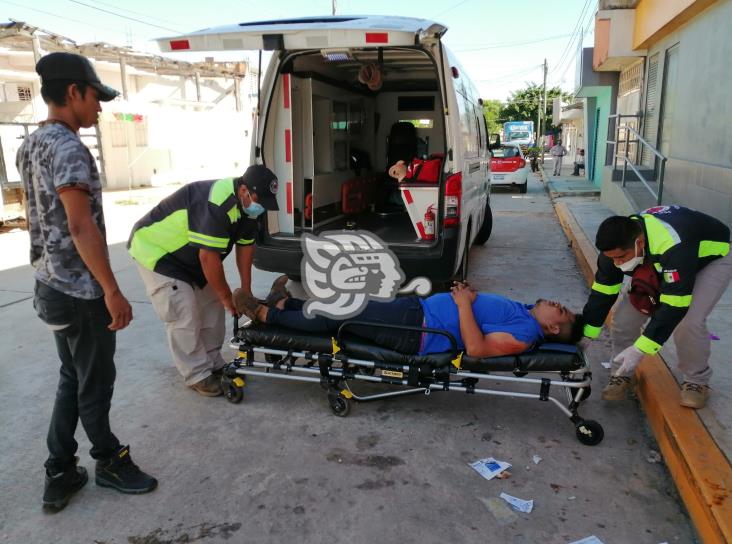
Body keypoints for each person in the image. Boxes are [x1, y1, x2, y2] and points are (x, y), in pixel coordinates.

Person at [18, 52, 157, 513]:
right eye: (96, 96)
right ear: (74, 92)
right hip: (79, 291)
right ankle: (110, 461)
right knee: (94, 383)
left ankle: (60, 471)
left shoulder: (31, 144)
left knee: (70, 378)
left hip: (49, 286)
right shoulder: (69, 148)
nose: (100, 108)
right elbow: (81, 227)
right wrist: (111, 291)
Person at [127, 165, 280, 397]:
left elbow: (246, 248)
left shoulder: (250, 209)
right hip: (158, 251)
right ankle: (197, 374)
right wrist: (228, 297)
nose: (262, 207)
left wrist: (245, 291)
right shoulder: (217, 203)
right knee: (183, 309)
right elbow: (208, 258)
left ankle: (212, 361)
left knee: (212, 306)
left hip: (191, 255)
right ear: (243, 190)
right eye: (260, 200)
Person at [581, 206, 732, 408]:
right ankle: (622, 374)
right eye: (612, 258)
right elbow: (603, 292)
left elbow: (675, 305)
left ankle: (697, 381)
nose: (617, 264)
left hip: (712, 259)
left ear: (639, 243)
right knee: (625, 318)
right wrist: (586, 334)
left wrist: (641, 348)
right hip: (666, 260)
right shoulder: (615, 248)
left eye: (622, 258)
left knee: (688, 322)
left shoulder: (672, 243)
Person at [234, 282, 583, 357]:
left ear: (553, 328)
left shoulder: (524, 335)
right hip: (417, 313)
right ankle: (288, 303)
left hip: (417, 333)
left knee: (337, 320)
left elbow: (476, 348)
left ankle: (266, 314)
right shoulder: (525, 312)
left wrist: (463, 303)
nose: (557, 302)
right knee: (345, 303)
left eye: (562, 310)